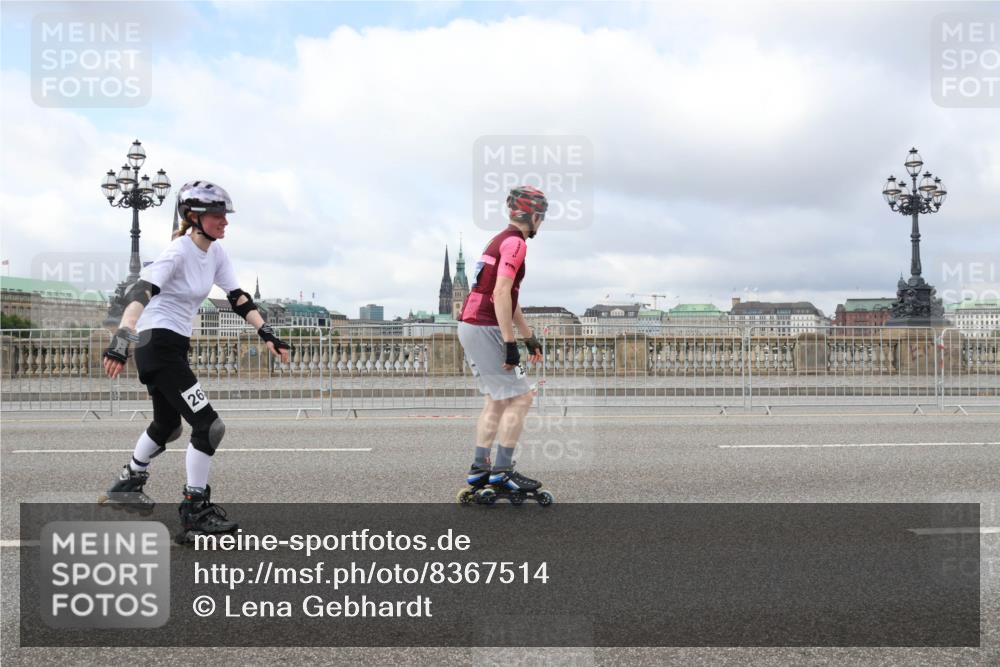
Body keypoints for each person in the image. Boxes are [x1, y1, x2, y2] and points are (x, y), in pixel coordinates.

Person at [98, 181, 292, 541]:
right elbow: (140, 292)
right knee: (209, 426)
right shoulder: (178, 252)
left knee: (168, 426)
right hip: (157, 345)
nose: (225, 222)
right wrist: (122, 336)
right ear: (194, 217)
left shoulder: (216, 254)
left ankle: (127, 482)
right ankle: (194, 512)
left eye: (225, 215)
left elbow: (238, 298)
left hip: (172, 346)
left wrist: (267, 332)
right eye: (218, 216)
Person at [456, 186, 552, 505]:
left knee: (497, 400)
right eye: (542, 216)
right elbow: (500, 293)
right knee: (523, 397)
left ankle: (479, 470)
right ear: (533, 215)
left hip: (472, 325)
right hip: (486, 327)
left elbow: (508, 299)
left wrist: (528, 336)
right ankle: (502, 471)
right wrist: (511, 344)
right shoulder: (515, 244)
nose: (542, 222)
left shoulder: (498, 240)